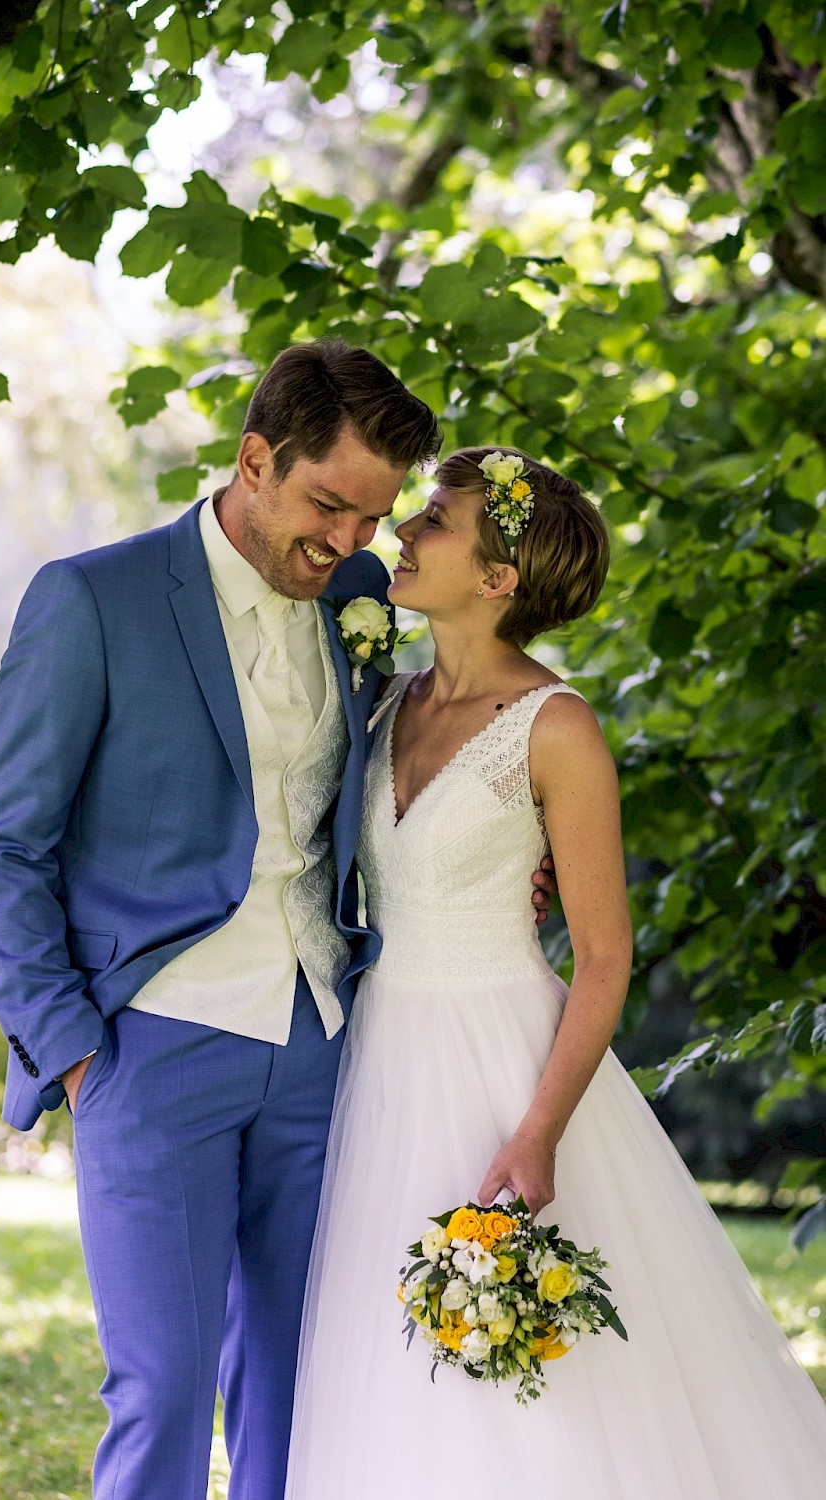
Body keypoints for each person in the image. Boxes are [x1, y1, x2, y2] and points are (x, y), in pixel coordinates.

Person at [0, 343, 555, 1500]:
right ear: (252, 460)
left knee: (302, 1382)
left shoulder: (360, 602)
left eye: (373, 519)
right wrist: (76, 1049)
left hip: (326, 1042)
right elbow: (0, 845)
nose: (344, 542)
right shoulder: (94, 600)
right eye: (326, 506)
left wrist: (498, 860)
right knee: (164, 1389)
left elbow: (418, 768)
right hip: (149, 1043)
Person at [285, 445, 826, 1499]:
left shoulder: (559, 728)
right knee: (384, 1351)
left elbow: (606, 954)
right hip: (379, 1058)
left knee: (525, 1369)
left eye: (434, 520)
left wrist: (536, 1132)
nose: (404, 528)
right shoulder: (382, 697)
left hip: (503, 1064)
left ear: (498, 580)